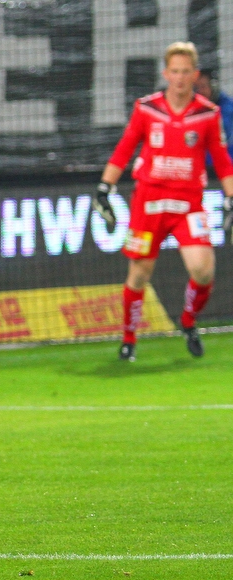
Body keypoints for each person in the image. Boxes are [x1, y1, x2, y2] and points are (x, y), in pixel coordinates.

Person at [93, 42, 233, 362]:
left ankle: (187, 319)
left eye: (186, 72)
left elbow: (222, 160)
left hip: (188, 204)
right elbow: (126, 147)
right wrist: (105, 187)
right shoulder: (147, 108)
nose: (180, 78)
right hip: (149, 202)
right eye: (175, 72)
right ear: (165, 73)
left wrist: (231, 196)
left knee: (203, 271)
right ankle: (129, 339)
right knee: (139, 275)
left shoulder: (208, 114)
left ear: (195, 75)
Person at [193, 68, 233, 164]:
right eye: (197, 88)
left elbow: (222, 132)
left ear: (213, 86)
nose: (200, 91)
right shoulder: (194, 105)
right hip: (200, 164)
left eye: (203, 87)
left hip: (223, 165)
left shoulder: (227, 107)